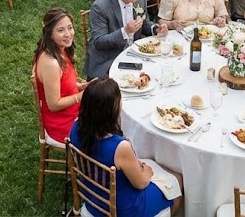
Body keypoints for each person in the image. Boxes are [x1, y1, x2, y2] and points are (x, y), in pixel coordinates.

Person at [69, 78, 183, 217]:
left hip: (93, 200)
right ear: (111, 110)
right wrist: (147, 172)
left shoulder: (75, 127)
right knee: (176, 180)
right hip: (124, 210)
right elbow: (141, 183)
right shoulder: (119, 147)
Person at [85, 0, 170, 79]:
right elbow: (99, 42)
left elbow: (144, 23)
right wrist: (125, 32)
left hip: (135, 55)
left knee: (161, 72)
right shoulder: (100, 7)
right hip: (108, 60)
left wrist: (155, 28)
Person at [33, 8, 87, 143]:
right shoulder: (51, 63)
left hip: (75, 112)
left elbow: (63, 85)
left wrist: (80, 86)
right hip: (62, 125)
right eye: (61, 30)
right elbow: (54, 104)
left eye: (70, 28)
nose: (68, 34)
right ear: (50, 34)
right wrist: (80, 96)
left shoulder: (61, 51)